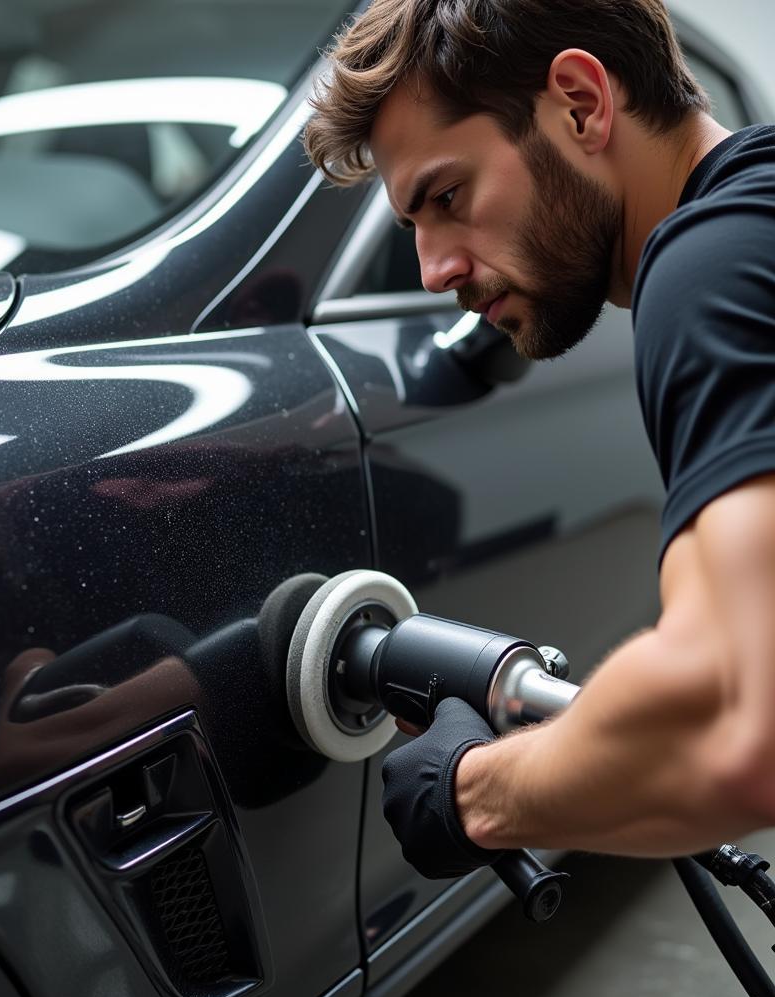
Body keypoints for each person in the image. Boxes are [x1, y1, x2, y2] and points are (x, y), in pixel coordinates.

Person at [303, 0, 775, 880]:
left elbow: (734, 728)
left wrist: (475, 792)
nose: (435, 268)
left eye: (448, 197)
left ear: (581, 105)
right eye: (414, 227)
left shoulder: (710, 271)